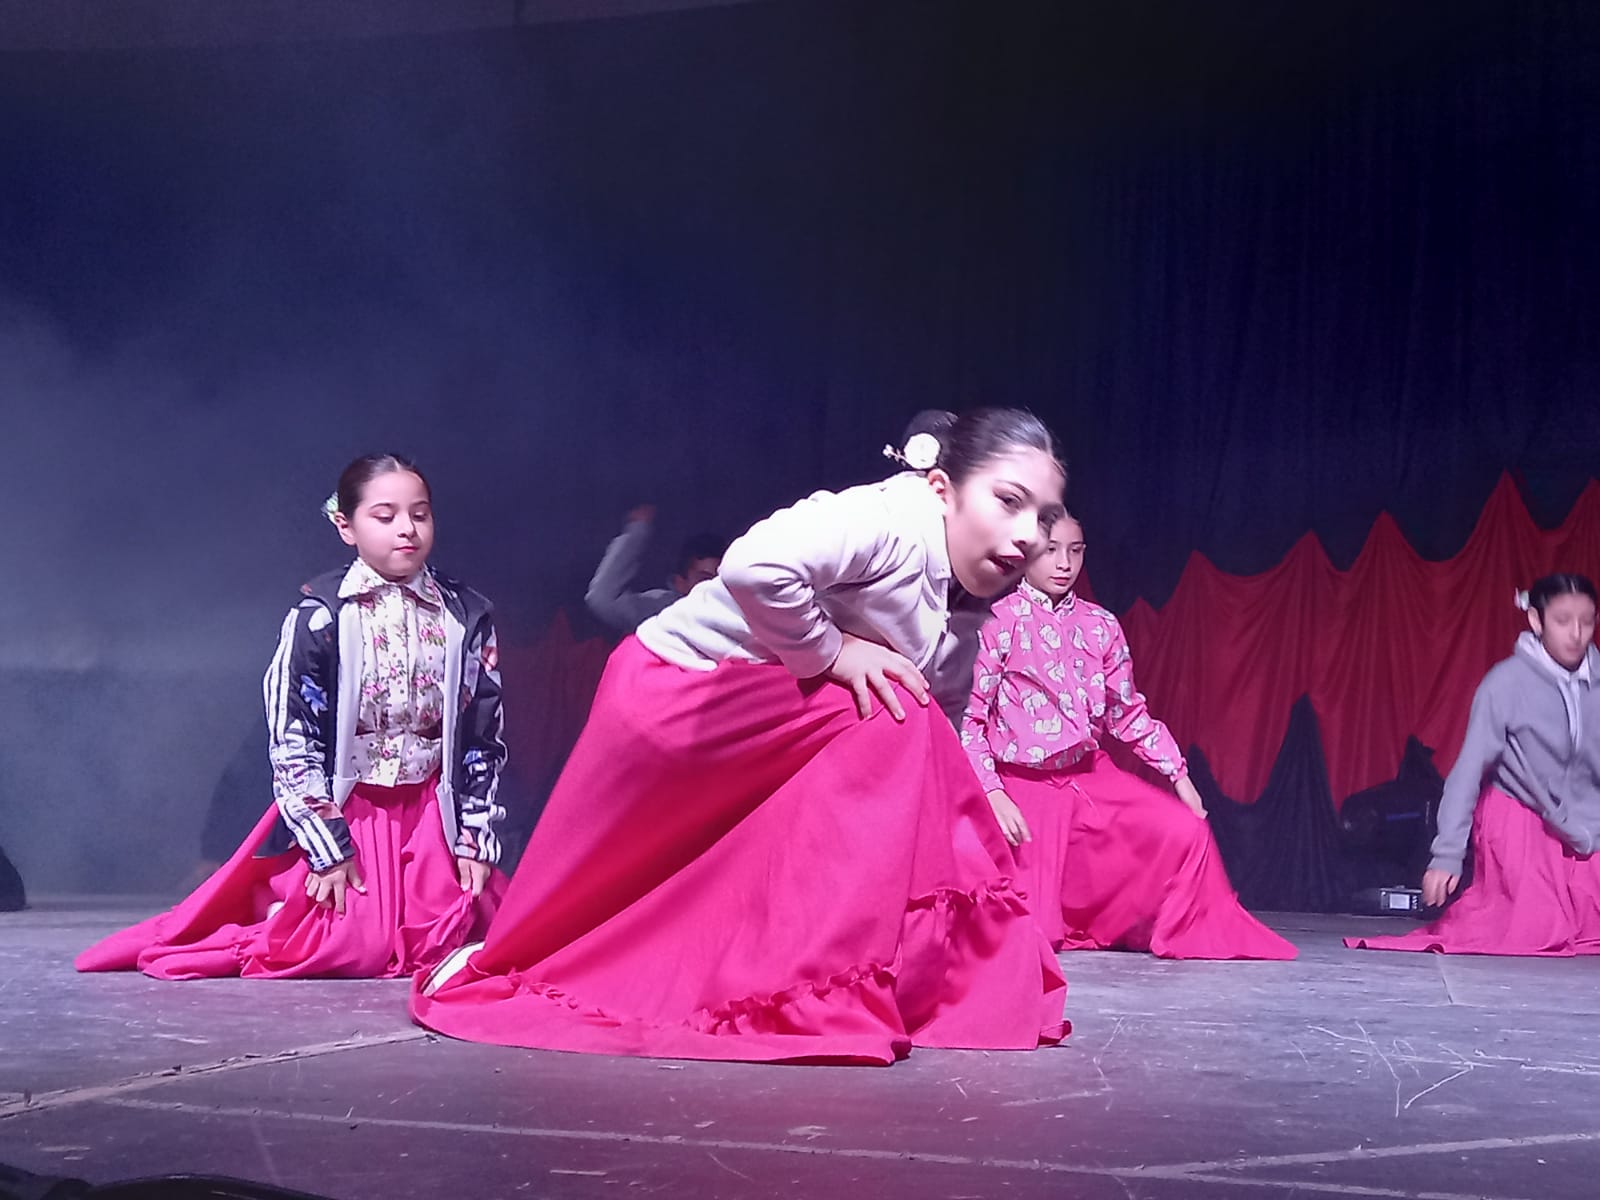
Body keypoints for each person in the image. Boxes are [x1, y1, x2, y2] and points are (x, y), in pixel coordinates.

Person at [411, 408, 1071, 1063]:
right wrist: (834, 652)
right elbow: (755, 566)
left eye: (1044, 518)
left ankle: (819, 978)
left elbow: (942, 726)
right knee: (600, 894)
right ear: (942, 489)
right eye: (1008, 501)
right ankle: (775, 979)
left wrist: (973, 800)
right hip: (678, 696)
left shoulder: (967, 611)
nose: (1027, 536)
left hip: (768, 722)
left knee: (905, 720)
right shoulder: (889, 517)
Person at [77, 453, 509, 979]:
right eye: (385, 515)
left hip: (431, 808)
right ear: (346, 527)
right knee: (354, 945)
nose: (407, 529)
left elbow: (482, 736)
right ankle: (276, 908)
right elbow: (292, 737)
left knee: (460, 931)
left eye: (419, 514)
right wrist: (327, 843)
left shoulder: (464, 615)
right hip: (353, 807)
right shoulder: (322, 616)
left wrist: (473, 836)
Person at [963, 514, 1296, 960]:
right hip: (1022, 786)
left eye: (1075, 551)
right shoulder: (996, 623)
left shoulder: (1100, 625)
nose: (1064, 564)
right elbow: (969, 721)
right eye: (1050, 550)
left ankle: (1179, 927)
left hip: (1088, 776)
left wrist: (1179, 775)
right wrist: (993, 792)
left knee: (1185, 831)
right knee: (1033, 932)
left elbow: (1126, 713)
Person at [1347, 574, 1600, 955]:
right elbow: (1467, 771)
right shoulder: (1505, 683)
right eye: (1563, 621)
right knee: (1537, 928)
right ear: (1536, 620)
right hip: (1523, 815)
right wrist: (1446, 855)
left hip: (1584, 821)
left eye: (1587, 621)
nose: (1576, 633)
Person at [585, 505, 726, 631]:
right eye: (704, 580)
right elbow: (604, 599)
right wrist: (637, 533)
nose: (715, 588)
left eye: (722, 580)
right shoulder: (666, 612)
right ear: (680, 583)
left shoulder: (737, 617)